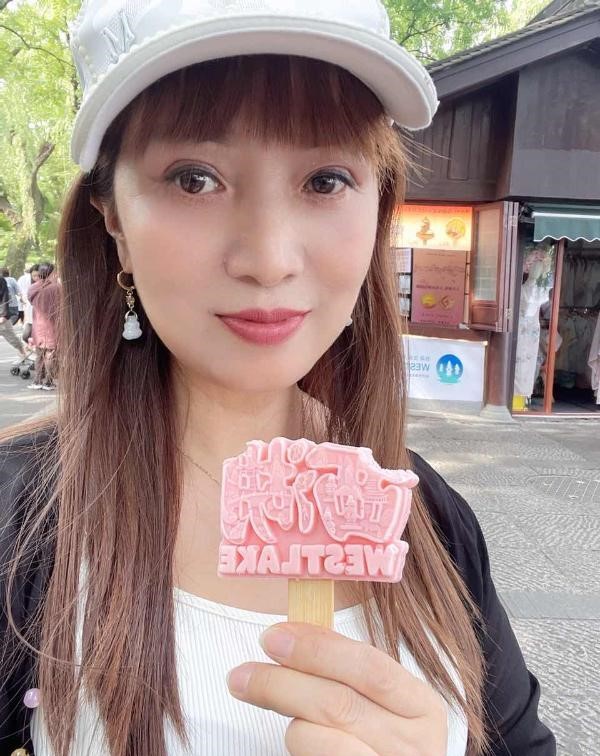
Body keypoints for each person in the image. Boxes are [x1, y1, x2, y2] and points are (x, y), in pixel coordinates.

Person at [0, 2, 556, 755]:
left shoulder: (429, 517)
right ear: (114, 221)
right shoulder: (21, 524)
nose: (268, 258)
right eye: (194, 178)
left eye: (325, 180)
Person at [26, 263, 60, 391]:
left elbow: (31, 301)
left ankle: (37, 381)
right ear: (51, 273)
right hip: (52, 325)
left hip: (38, 325)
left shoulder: (33, 288)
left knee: (39, 354)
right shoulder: (57, 288)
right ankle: (48, 382)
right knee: (50, 354)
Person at [0, 271, 28, 361]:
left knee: (10, 336)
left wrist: (4, 315)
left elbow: (4, 297)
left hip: (1, 313)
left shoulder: (1, 280)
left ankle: (23, 352)